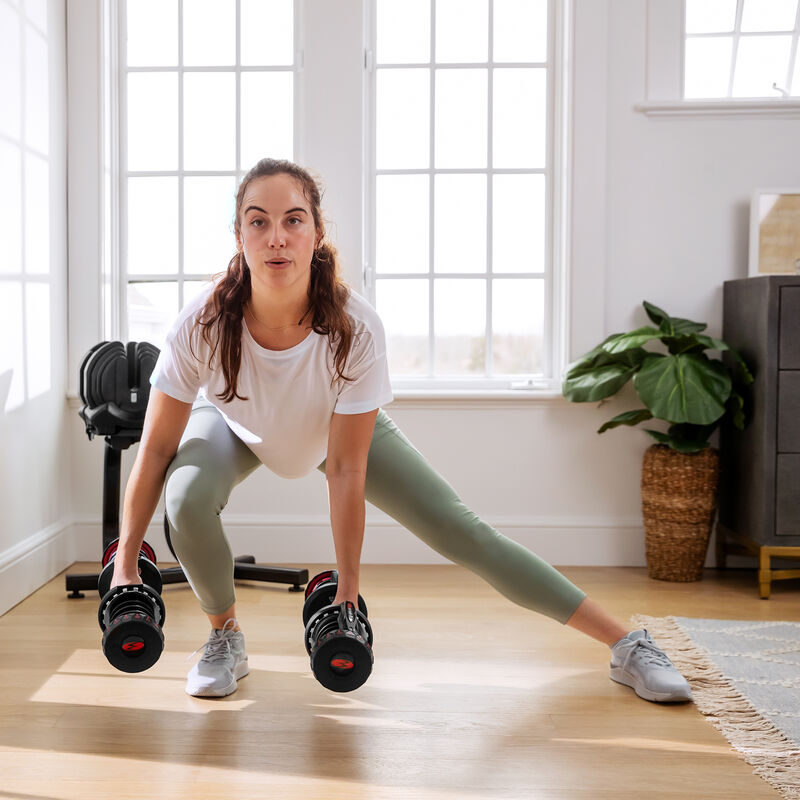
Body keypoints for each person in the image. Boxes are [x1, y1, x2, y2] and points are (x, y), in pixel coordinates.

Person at [110, 157, 692, 704]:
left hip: (335, 427)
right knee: (184, 500)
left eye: (293, 219)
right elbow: (158, 447)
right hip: (235, 425)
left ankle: (626, 644)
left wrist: (348, 590)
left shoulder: (354, 325)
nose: (277, 237)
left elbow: (344, 468)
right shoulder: (203, 323)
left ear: (316, 232)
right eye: (258, 222)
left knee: (461, 531)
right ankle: (225, 636)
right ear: (239, 236)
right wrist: (128, 568)